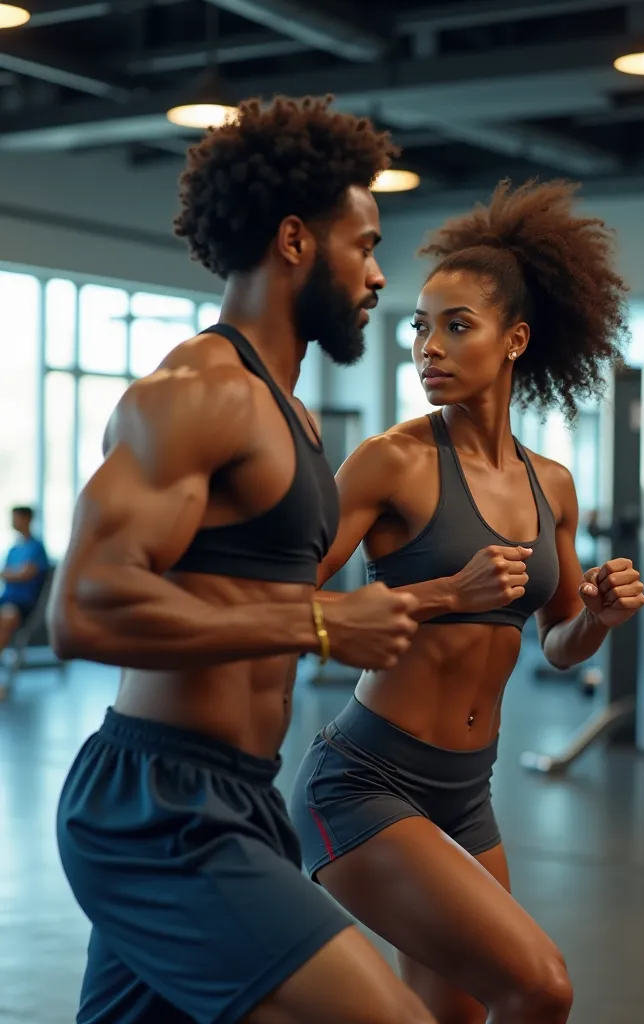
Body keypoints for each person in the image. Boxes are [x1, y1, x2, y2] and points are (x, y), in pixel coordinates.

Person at [50, 96, 437, 1024]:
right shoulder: (197, 393)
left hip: (244, 796)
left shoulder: (294, 416)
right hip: (158, 807)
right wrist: (313, 622)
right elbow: (85, 608)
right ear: (297, 241)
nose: (379, 276)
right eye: (366, 244)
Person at [290, 179, 644, 1024]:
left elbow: (559, 645)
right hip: (364, 780)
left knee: (457, 1014)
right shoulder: (391, 461)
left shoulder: (550, 484)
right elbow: (281, 603)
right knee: (539, 987)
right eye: (419, 326)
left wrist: (596, 614)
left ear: (515, 339)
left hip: (468, 792)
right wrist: (449, 590)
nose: (428, 347)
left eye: (457, 326)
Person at [0, 505, 49, 698]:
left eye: (16, 518)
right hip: (6, 600)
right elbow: (11, 574)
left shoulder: (36, 547)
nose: (13, 522)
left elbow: (26, 573)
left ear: (27, 519)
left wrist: (11, 574)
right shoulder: (13, 549)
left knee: (6, 618)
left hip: (23, 605)